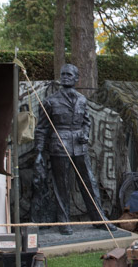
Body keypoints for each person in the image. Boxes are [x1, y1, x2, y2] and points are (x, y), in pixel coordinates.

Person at [33, 64, 114, 235]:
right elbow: (41, 129)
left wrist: (85, 134)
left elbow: (86, 122)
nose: (65, 77)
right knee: (61, 185)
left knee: (90, 183)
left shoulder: (82, 100)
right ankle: (64, 221)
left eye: (69, 75)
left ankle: (99, 219)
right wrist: (39, 152)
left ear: (77, 78)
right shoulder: (50, 102)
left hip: (80, 147)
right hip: (59, 146)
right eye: (63, 74)